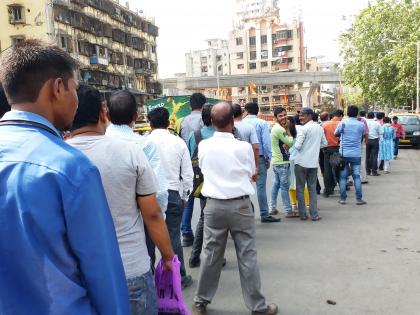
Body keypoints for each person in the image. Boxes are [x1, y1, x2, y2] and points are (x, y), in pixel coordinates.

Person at [0, 40, 129, 314]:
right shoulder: (71, 167)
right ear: (58, 88)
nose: (77, 98)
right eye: (75, 88)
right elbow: (101, 269)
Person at [67, 85, 174, 315]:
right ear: (103, 113)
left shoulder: (57, 155)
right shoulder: (130, 152)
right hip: (129, 268)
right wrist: (168, 256)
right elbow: (152, 214)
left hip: (77, 276)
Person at [193, 102, 278, 315]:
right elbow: (252, 172)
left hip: (212, 206)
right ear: (233, 121)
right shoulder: (243, 147)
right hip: (240, 205)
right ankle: (258, 307)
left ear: (212, 122)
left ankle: (200, 302)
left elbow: (203, 169)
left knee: (210, 254)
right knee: (247, 255)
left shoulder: (204, 145)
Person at [147, 107, 194, 289]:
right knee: (173, 236)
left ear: (150, 123)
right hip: (173, 193)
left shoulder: (143, 142)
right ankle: (179, 276)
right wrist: (184, 195)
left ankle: (150, 279)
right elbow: (187, 174)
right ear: (168, 122)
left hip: (149, 196)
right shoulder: (178, 142)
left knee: (149, 238)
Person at [187, 105, 216, 268]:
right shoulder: (221, 135)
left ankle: (195, 256)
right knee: (213, 220)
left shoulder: (194, 135)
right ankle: (205, 255)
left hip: (200, 182)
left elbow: (191, 156)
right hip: (217, 182)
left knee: (204, 218)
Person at [244, 102, 280, 223]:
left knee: (243, 187)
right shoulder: (262, 123)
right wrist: (268, 157)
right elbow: (265, 142)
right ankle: (264, 214)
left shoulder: (241, 123)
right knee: (261, 187)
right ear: (257, 111)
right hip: (258, 157)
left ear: (246, 111)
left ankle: (246, 215)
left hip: (243, 158)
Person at [180, 93, 206, 247]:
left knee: (187, 199)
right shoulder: (204, 120)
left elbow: (182, 140)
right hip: (202, 163)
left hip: (186, 162)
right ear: (203, 105)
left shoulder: (183, 120)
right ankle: (206, 230)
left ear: (190, 106)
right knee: (205, 198)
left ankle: (186, 233)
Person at [293, 108, 327, 221]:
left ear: (309, 116)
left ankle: (303, 214)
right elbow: (324, 143)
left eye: (302, 115)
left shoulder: (303, 129)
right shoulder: (319, 128)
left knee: (300, 188)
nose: (300, 118)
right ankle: (314, 214)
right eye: (300, 116)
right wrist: (314, 148)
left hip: (301, 162)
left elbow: (297, 146)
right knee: (312, 189)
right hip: (312, 163)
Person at [334, 106, 367, 205]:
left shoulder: (343, 123)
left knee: (343, 177)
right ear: (357, 113)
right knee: (356, 176)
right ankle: (359, 199)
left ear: (347, 113)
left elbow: (335, 133)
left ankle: (343, 199)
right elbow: (362, 135)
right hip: (356, 154)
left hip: (344, 154)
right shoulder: (361, 124)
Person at [269, 106, 295, 217]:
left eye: (285, 115)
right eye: (280, 116)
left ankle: (272, 207)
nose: (284, 117)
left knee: (276, 185)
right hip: (282, 162)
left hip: (277, 161)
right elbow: (291, 142)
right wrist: (288, 130)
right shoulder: (280, 129)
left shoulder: (276, 127)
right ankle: (288, 210)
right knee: (284, 187)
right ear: (275, 118)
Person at [288, 116, 310, 211]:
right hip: (303, 158)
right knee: (303, 182)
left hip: (292, 158)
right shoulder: (302, 129)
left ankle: (293, 205)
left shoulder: (286, 131)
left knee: (292, 183)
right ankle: (308, 204)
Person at [322, 109, 344, 197]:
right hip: (338, 148)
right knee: (339, 169)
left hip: (328, 148)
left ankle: (328, 189)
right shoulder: (341, 124)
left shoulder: (325, 125)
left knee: (327, 170)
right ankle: (343, 187)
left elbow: (322, 138)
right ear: (340, 116)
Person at [233, 103, 260, 169]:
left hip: (233, 162)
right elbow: (256, 148)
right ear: (242, 112)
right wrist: (256, 167)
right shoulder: (249, 127)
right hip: (247, 162)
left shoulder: (227, 127)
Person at [358, 110, 369, 184]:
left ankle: (350, 178)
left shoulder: (345, 122)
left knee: (349, 161)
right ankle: (363, 178)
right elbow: (366, 133)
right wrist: (365, 141)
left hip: (349, 145)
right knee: (362, 160)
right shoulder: (362, 121)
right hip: (360, 143)